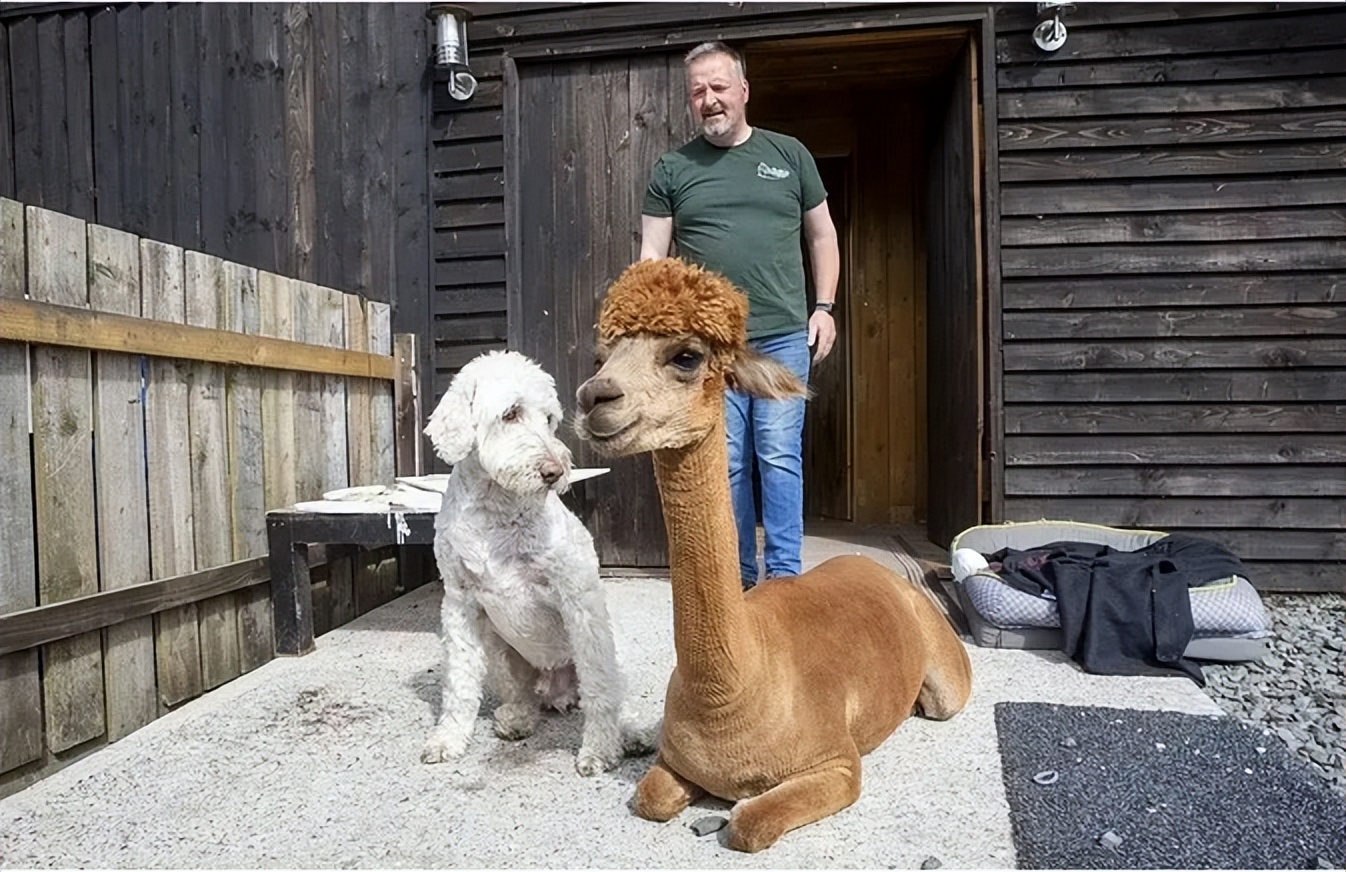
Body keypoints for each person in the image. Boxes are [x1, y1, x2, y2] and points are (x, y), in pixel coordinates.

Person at [639, 41, 841, 590]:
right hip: (709, 346)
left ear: (744, 91)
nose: (708, 100)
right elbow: (651, 258)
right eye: (697, 91)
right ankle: (736, 577)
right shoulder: (672, 168)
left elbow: (821, 235)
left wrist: (823, 308)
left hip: (780, 338)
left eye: (718, 87)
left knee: (778, 456)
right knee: (724, 460)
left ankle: (783, 580)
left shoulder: (789, 155)